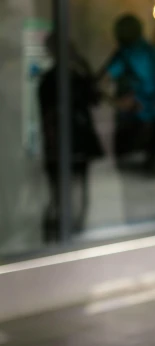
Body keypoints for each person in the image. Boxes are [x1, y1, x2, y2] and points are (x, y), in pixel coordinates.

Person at [37, 34, 104, 240]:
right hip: (65, 141)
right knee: (64, 194)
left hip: (73, 140)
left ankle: (68, 234)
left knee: (67, 193)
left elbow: (94, 97)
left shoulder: (69, 78)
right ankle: (62, 234)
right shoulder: (56, 80)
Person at [101, 14, 155, 173]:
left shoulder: (126, 54)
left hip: (133, 122)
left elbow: (101, 82)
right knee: (153, 183)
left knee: (130, 182)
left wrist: (115, 101)